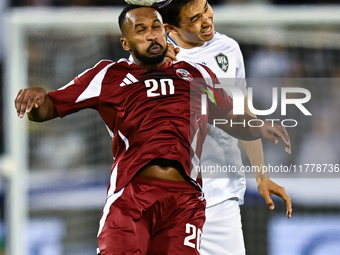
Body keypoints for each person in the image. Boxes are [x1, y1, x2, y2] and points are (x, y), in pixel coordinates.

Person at [14, 5, 291, 255]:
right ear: (126, 42)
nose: (151, 35)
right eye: (141, 30)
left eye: (156, 27)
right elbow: (50, 106)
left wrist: (259, 126)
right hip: (133, 196)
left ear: (165, 32)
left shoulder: (194, 75)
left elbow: (230, 117)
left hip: (185, 202)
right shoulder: (109, 76)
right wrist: (39, 98)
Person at [159, 1, 293, 254]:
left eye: (207, 8)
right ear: (171, 28)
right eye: (194, 18)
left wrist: (261, 176)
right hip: (171, 198)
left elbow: (243, 114)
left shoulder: (228, 49)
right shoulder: (153, 59)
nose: (207, 20)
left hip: (221, 194)